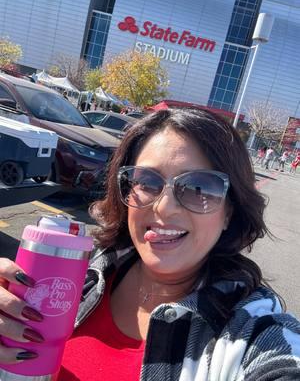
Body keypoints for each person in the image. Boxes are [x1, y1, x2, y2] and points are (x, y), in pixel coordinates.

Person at [0, 109, 300, 380]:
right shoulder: (82, 275)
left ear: (229, 212)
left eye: (199, 187)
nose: (164, 208)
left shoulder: (251, 333)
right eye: (147, 181)